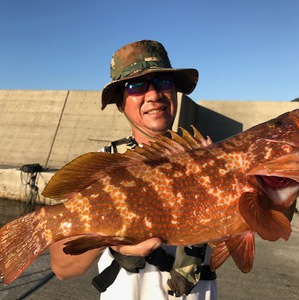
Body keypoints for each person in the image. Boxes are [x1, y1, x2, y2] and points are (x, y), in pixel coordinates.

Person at [49, 40, 217, 299]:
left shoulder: (208, 160)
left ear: (174, 91)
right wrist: (111, 237)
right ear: (120, 103)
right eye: (136, 85)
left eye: (163, 81)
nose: (153, 95)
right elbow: (62, 268)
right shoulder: (104, 169)